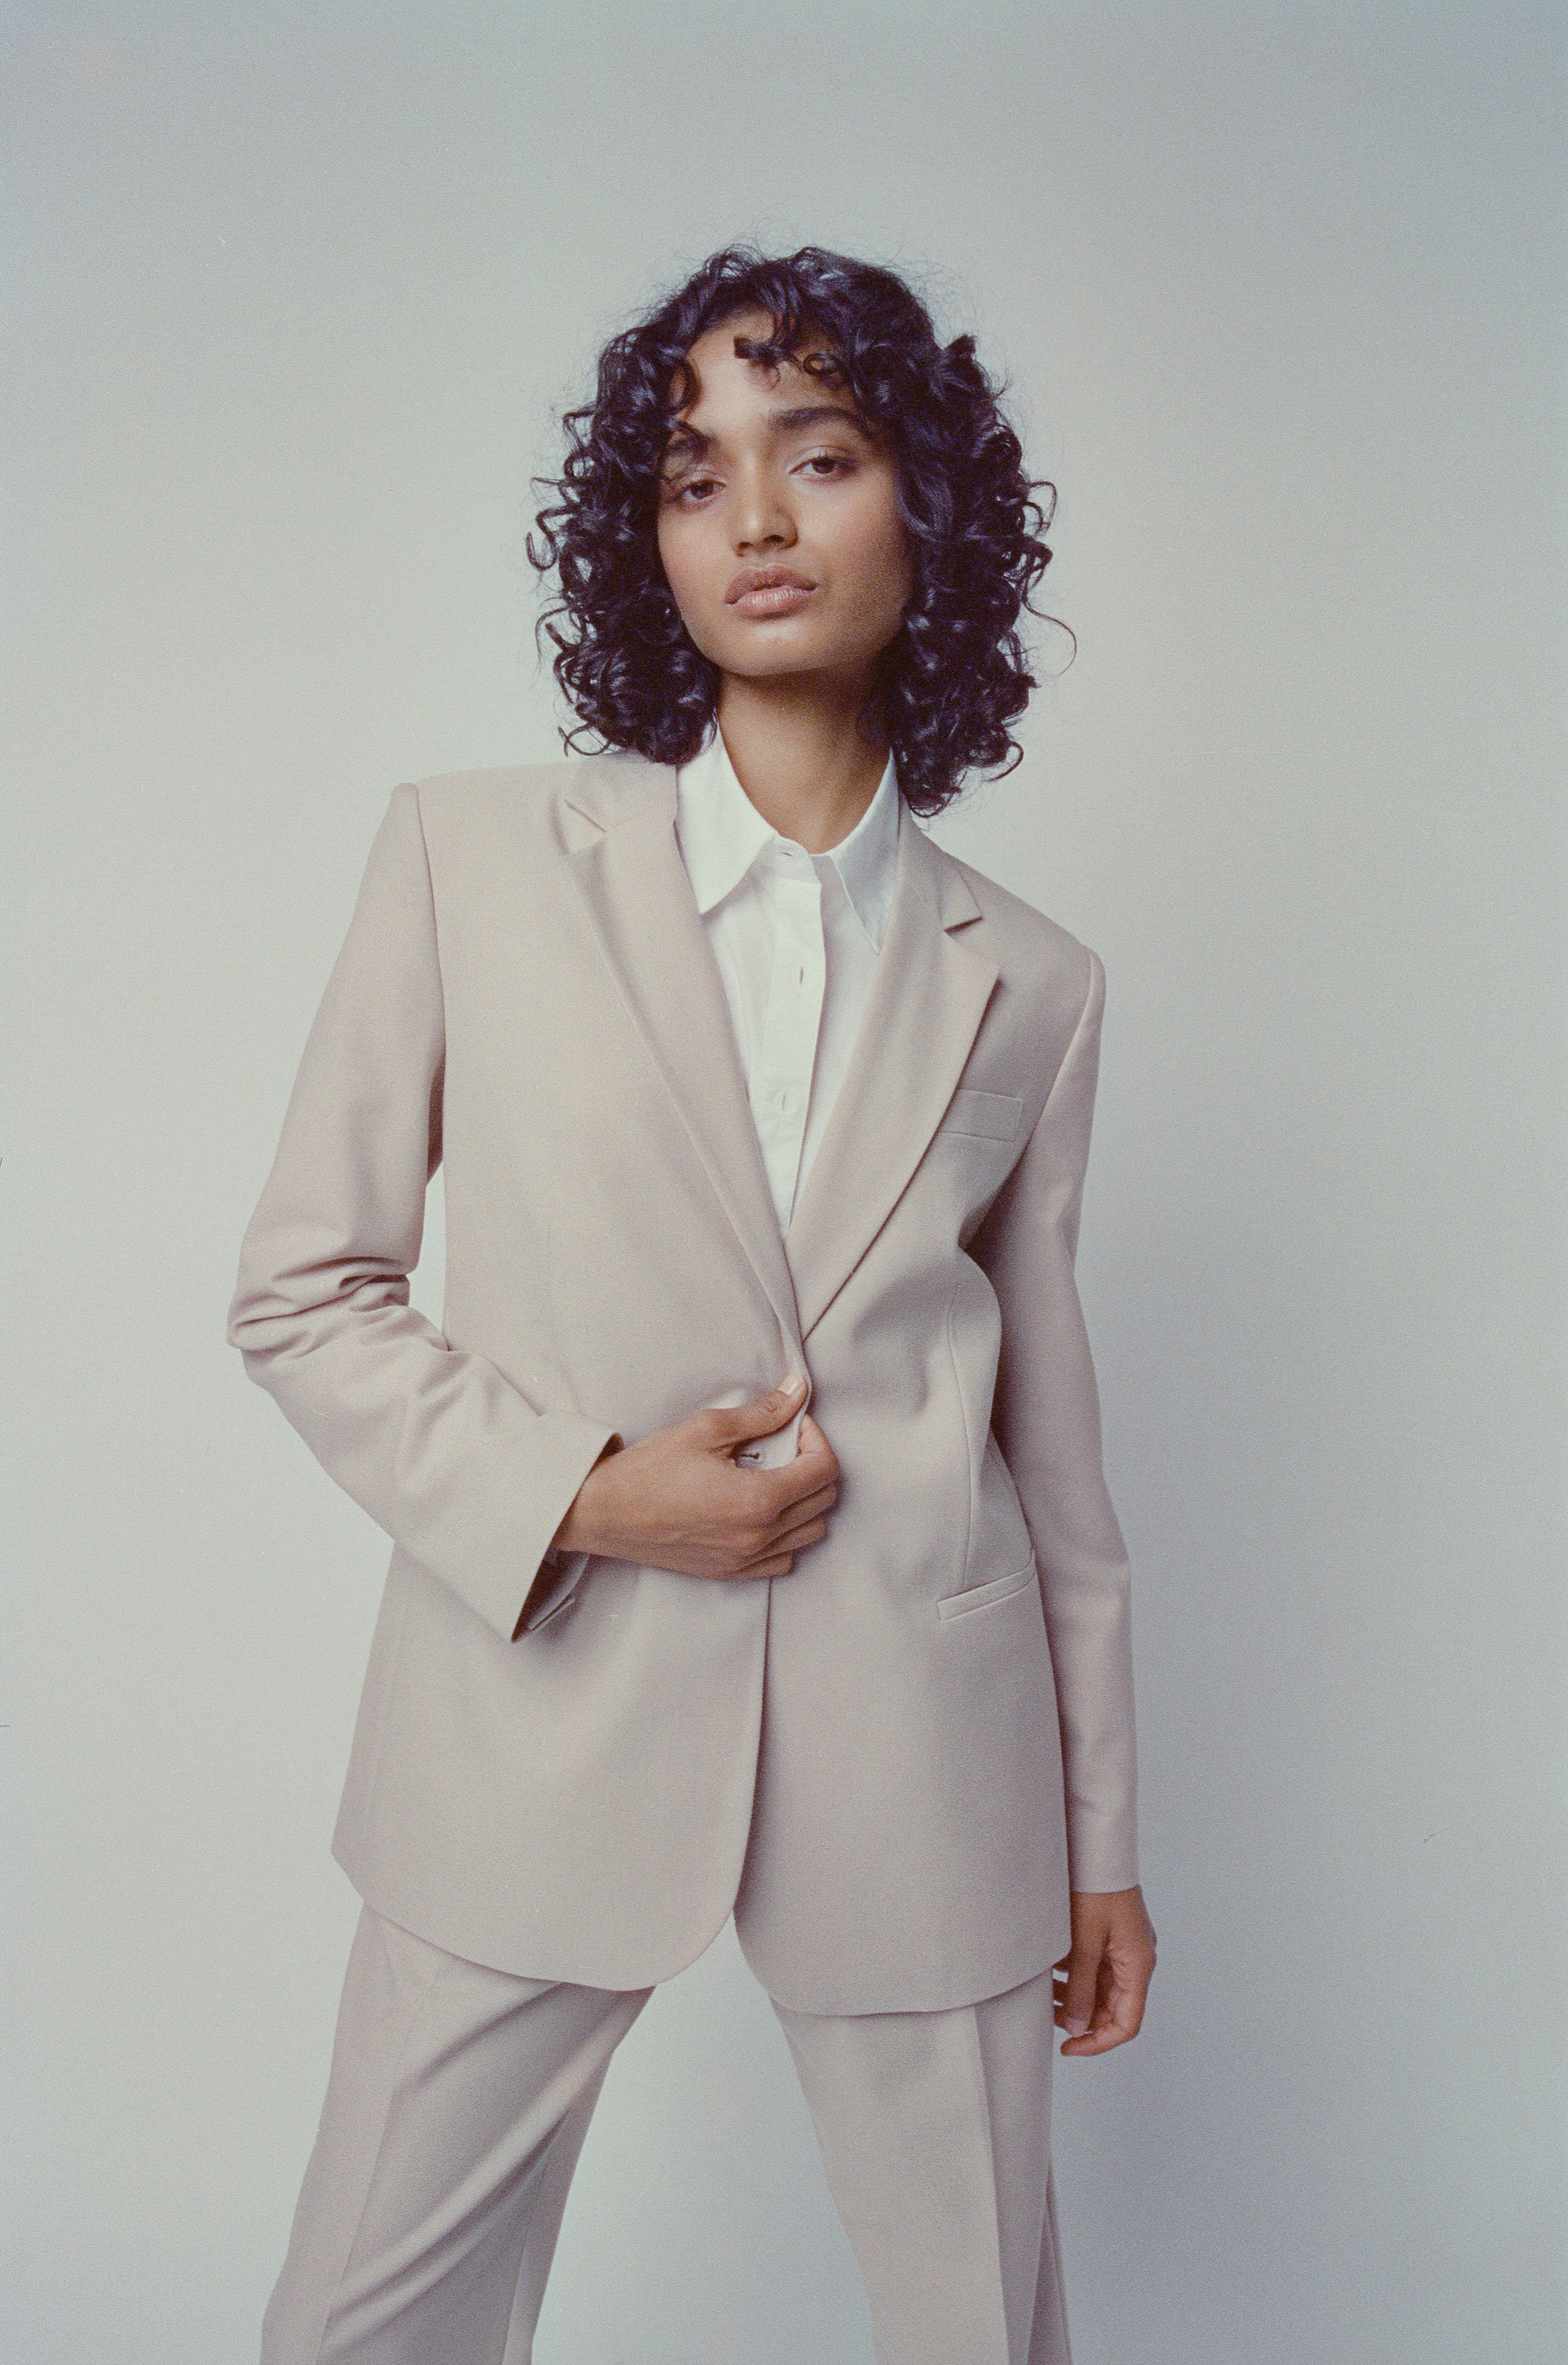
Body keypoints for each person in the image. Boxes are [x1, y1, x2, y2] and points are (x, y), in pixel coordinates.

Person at [228, 241, 1157, 2365]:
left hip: (929, 1757)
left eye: (815, 456)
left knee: (976, 2333)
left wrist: (1102, 1841)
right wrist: (586, 1493)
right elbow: (303, 1289)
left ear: (926, 509)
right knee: (357, 2326)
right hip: (529, 1726)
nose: (750, 516)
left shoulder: (1036, 976)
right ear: (636, 541)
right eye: (690, 473)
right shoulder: (467, 858)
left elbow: (1054, 1461)